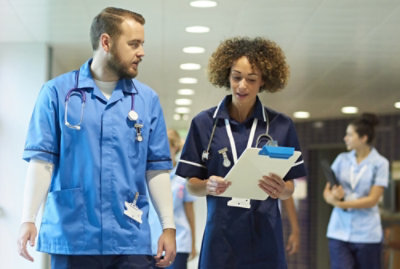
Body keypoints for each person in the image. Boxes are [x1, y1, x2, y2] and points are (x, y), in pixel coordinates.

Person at [16, 7, 176, 268]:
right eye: (134, 44)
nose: (142, 52)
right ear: (106, 42)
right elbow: (42, 161)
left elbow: (156, 168)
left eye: (142, 44)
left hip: (129, 236)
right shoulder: (57, 93)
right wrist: (28, 218)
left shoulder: (147, 100)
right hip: (72, 234)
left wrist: (168, 226)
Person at [175, 37, 307, 269]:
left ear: (263, 81)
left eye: (251, 79)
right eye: (236, 77)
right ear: (226, 75)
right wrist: (207, 185)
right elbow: (190, 185)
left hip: (265, 237)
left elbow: (289, 187)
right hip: (221, 239)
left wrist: (281, 190)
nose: (242, 86)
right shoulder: (204, 124)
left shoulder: (280, 125)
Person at [323, 113, 389, 269]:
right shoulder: (341, 159)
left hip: (367, 234)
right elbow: (326, 192)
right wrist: (333, 197)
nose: (345, 138)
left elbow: (373, 199)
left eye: (349, 135)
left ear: (363, 138)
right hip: (338, 231)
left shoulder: (380, 163)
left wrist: (342, 204)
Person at [149, 129, 197, 269]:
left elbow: (190, 212)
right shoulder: (149, 174)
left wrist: (193, 244)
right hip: (152, 243)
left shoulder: (183, 176)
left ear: (174, 147)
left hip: (179, 242)